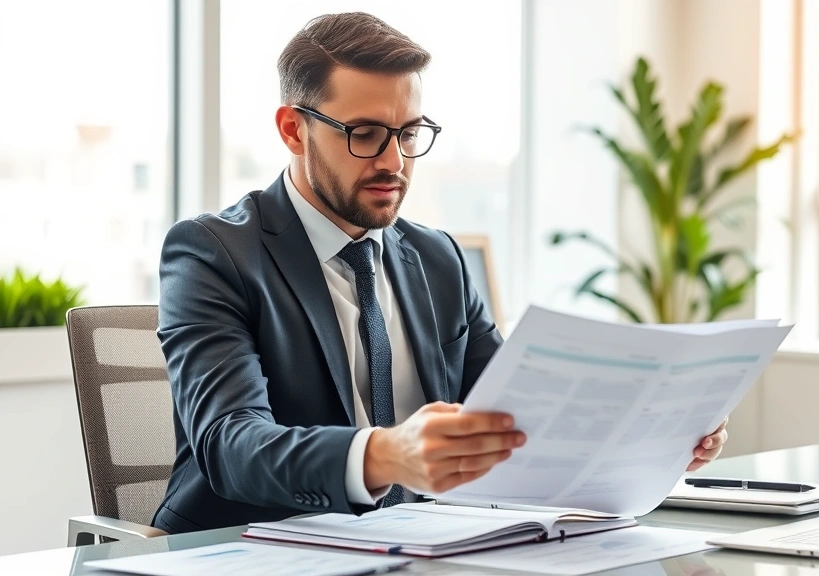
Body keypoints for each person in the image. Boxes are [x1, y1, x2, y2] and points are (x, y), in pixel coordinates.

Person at [153, 11, 729, 534]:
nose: (394, 162)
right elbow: (231, 446)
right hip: (251, 549)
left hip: (424, 547)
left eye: (409, 133)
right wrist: (385, 455)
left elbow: (519, 419)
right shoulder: (212, 253)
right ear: (293, 130)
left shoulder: (437, 259)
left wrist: (653, 435)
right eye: (365, 134)